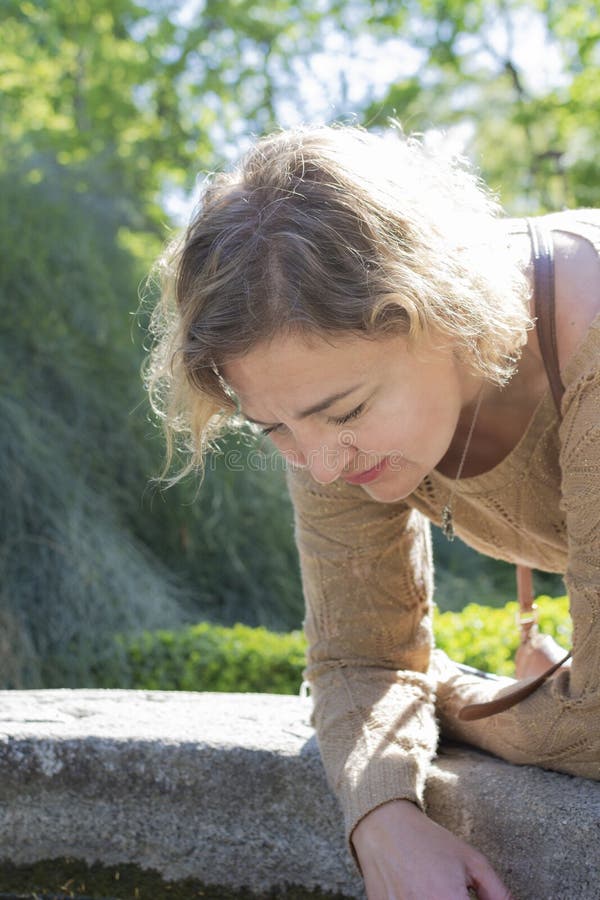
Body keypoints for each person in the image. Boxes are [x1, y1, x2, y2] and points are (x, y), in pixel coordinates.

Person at [146, 124, 600, 900]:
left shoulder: (589, 324)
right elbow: (359, 656)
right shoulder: (316, 397)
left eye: (346, 411)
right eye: (275, 430)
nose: (322, 465)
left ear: (440, 307)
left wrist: (453, 694)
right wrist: (382, 818)